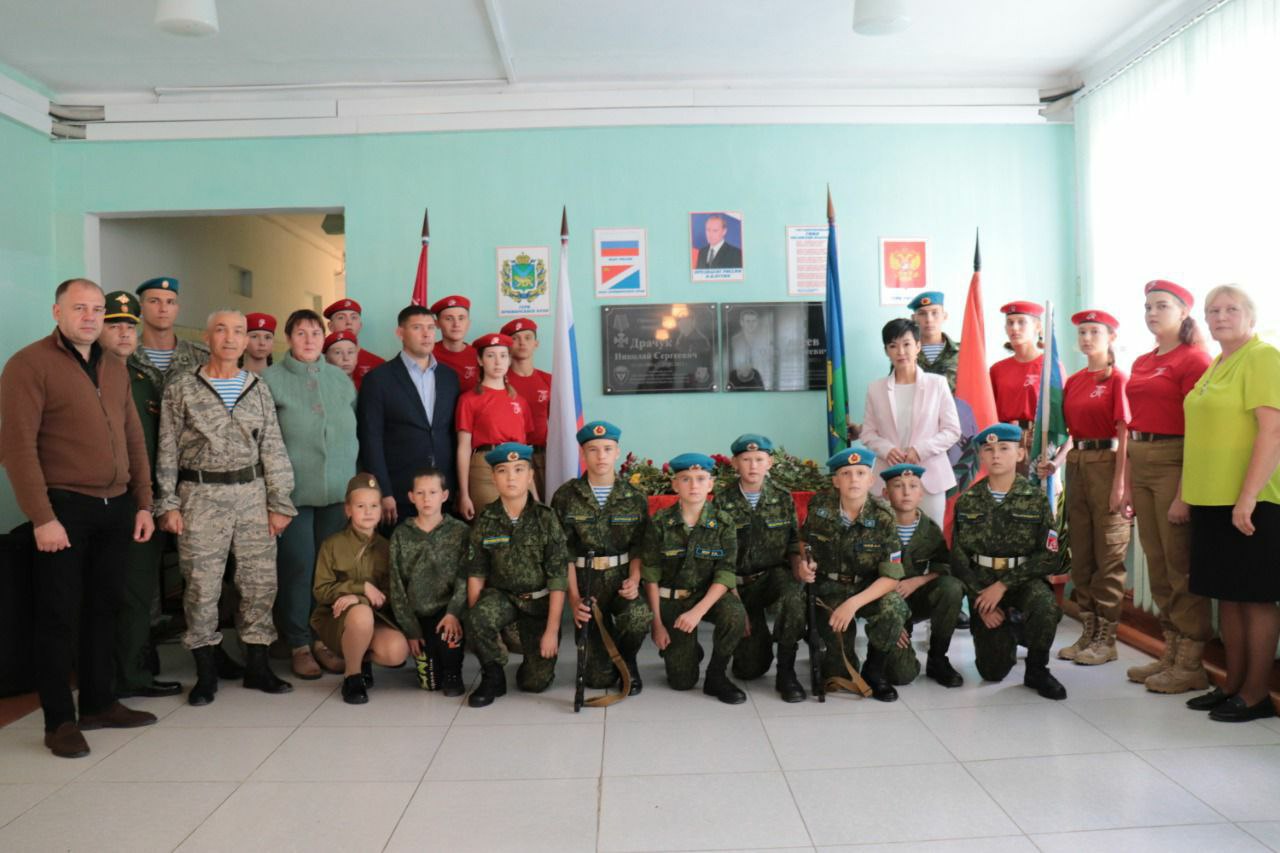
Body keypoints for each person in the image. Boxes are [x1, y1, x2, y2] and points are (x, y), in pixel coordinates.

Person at [0, 279, 158, 758]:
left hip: (117, 507)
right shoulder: (29, 364)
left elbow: (133, 438)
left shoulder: (114, 365)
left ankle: (98, 704)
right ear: (57, 312)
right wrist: (41, 517)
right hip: (64, 508)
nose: (90, 317)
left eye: (96, 309)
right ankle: (58, 722)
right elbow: (17, 447)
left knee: (103, 610)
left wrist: (144, 502)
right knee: (58, 617)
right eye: (79, 308)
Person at [155, 309, 296, 706]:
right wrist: (167, 503)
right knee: (202, 584)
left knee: (259, 582)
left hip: (252, 494)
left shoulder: (258, 387)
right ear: (207, 337)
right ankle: (206, 672)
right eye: (221, 330)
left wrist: (279, 502)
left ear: (247, 340)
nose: (231, 338)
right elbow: (166, 447)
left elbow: (273, 447)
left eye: (239, 331)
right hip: (199, 496)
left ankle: (258, 666)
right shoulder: (183, 387)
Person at [1183, 285, 1280, 722]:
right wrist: (1186, 495)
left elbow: (1273, 432)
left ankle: (1257, 694)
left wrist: (1247, 497)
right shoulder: (1217, 364)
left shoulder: (1262, 357)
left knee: (1255, 598)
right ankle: (1232, 685)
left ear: (1250, 316)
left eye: (1231, 309)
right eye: (1213, 310)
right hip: (1212, 499)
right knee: (1229, 596)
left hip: (1252, 500)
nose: (1221, 316)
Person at [1123, 280, 1214, 693]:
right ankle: (1171, 651)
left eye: (1161, 305)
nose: (1152, 313)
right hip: (1141, 457)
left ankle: (1191, 663)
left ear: (1183, 312)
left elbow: (1200, 429)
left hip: (1174, 459)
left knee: (1179, 564)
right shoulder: (1143, 361)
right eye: (1148, 306)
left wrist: (1184, 493)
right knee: (1156, 561)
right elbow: (1134, 423)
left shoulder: (1194, 359)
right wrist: (1128, 483)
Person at [262, 309, 358, 680]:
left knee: (328, 570)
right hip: (292, 496)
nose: (309, 340)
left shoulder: (339, 379)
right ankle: (298, 643)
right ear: (289, 338)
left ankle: (323, 640)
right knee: (298, 567)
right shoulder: (271, 380)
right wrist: (273, 497)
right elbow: (263, 441)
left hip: (337, 493)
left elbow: (353, 433)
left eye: (315, 333)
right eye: (300, 333)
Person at [98, 291, 181, 699]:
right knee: (108, 591)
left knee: (137, 590)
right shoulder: (88, 373)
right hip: (100, 499)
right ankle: (112, 674)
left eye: (129, 327)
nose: (123, 334)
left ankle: (131, 672)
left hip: (143, 499)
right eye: (114, 325)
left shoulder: (143, 380)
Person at [950, 424, 1067, 700]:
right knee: (992, 671)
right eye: (988, 449)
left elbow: (1049, 555)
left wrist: (1003, 585)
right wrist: (980, 601)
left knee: (1044, 605)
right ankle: (1010, 628)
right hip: (983, 585)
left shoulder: (1035, 499)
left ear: (1020, 454)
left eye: (1004, 448)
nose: (996, 455)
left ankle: (1037, 669)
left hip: (1023, 581)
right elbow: (959, 559)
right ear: (981, 456)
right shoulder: (967, 501)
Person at [1042, 310, 1131, 667]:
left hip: (1108, 465)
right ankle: (1089, 631)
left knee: (1108, 556)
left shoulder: (1118, 379)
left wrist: (1121, 483)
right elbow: (1072, 435)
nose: (1087, 338)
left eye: (1094, 331)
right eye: (1082, 332)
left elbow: (1125, 432)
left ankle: (1107, 639)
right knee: (1081, 554)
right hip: (1078, 465)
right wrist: (1057, 462)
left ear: (1111, 337)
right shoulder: (1076, 380)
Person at [796, 445, 907, 702]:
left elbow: (891, 577)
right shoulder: (820, 507)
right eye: (846, 473)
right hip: (829, 589)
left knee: (894, 607)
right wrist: (805, 562)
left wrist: (852, 604)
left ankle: (875, 670)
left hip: (868, 589)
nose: (853, 479)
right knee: (838, 674)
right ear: (836, 480)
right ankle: (836, 656)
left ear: (870, 479)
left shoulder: (884, 517)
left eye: (860, 473)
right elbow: (805, 542)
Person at [464, 443, 570, 708]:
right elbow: (476, 572)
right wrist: (477, 625)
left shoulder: (546, 519)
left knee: (535, 683)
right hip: (504, 599)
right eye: (503, 470)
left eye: (519, 470)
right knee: (478, 617)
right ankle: (493, 675)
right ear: (493, 477)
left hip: (539, 603)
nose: (511, 477)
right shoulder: (486, 519)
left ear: (530, 476)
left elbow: (558, 579)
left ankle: (530, 660)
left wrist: (551, 630)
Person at [552, 421, 652, 696]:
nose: (601, 456)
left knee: (639, 616)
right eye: (593, 449)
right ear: (583, 453)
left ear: (617, 452)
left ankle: (627, 660)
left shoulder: (634, 496)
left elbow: (639, 546)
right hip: (586, 581)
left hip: (621, 578)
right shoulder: (566, 496)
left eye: (607, 449)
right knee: (597, 680)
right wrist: (574, 599)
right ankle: (605, 654)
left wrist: (634, 580)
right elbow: (563, 553)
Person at [641, 453, 747, 703]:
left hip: (706, 596)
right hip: (671, 601)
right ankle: (687, 650)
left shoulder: (723, 523)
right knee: (682, 682)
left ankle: (716, 675)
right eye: (686, 479)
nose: (694, 485)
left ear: (710, 484)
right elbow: (651, 576)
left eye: (700, 478)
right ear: (675, 485)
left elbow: (725, 574)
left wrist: (697, 612)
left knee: (735, 613)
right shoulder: (660, 522)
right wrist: (657, 624)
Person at [713, 434, 807, 702]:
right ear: (734, 463)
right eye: (746, 459)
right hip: (738, 585)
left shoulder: (782, 497)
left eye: (759, 459)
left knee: (793, 596)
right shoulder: (722, 500)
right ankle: (757, 639)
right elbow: (717, 554)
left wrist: (799, 567)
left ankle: (786, 671)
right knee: (749, 669)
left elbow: (793, 541)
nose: (753, 466)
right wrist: (734, 600)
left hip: (772, 577)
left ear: (770, 463)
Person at [358, 304, 460, 527]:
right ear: (400, 332)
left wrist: (459, 488)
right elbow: (371, 439)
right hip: (399, 493)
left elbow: (453, 434)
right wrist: (384, 491)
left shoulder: (449, 378)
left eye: (431, 328)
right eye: (417, 327)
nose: (426, 334)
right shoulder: (378, 379)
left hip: (443, 492)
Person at [312, 474, 409, 704]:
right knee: (360, 614)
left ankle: (362, 660)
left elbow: (391, 594)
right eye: (360, 506)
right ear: (348, 510)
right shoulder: (332, 545)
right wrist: (360, 589)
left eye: (374, 506)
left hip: (375, 617)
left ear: (381, 510)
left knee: (396, 651)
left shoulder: (387, 548)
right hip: (337, 620)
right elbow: (321, 590)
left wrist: (359, 598)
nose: (368, 512)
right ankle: (352, 676)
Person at [860, 318, 962, 525]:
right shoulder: (875, 388)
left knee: (931, 536)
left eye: (906, 344)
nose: (901, 352)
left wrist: (920, 450)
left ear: (918, 346)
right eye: (893, 346)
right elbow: (867, 433)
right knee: (888, 536)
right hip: (887, 478)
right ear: (886, 351)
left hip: (929, 476)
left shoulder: (937, 384)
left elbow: (952, 430)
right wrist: (887, 449)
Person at [879, 463, 965, 688]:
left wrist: (918, 581)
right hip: (884, 603)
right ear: (885, 493)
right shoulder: (875, 527)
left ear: (921, 493)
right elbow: (864, 576)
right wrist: (889, 619)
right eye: (898, 486)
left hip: (915, 599)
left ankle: (938, 658)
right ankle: (889, 649)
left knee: (951, 587)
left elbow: (944, 566)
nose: (906, 492)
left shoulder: (929, 529)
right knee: (901, 675)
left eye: (913, 486)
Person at [388, 467, 470, 697]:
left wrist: (454, 612)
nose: (426, 499)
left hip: (448, 612)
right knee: (430, 683)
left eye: (433, 492)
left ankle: (453, 671)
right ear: (411, 497)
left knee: (448, 639)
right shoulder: (401, 535)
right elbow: (396, 586)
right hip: (418, 614)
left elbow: (465, 577)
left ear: (444, 495)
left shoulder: (460, 532)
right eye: (420, 493)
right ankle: (432, 656)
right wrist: (411, 629)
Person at [455, 333, 535, 520]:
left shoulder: (520, 401)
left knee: (521, 525)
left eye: (503, 355)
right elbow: (464, 448)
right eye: (491, 355)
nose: (498, 362)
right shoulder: (469, 399)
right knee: (489, 525)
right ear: (480, 360)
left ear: (509, 360)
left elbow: (526, 449)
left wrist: (534, 491)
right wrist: (464, 494)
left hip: (517, 466)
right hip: (484, 468)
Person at [989, 301, 1044, 473]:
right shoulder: (997, 369)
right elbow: (989, 412)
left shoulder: (1050, 366)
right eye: (1010, 322)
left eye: (1021, 322)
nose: (1015, 328)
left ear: (1037, 326)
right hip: (1004, 442)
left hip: (1037, 443)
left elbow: (1061, 417)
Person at [502, 317, 552, 497]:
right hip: (512, 456)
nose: (522, 342)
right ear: (507, 345)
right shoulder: (500, 381)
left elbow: (558, 422)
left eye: (528, 337)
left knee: (548, 503)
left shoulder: (548, 380)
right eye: (515, 338)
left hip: (543, 455)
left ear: (536, 343)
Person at [323, 298, 384, 387]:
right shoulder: (319, 363)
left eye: (354, 317)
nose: (349, 322)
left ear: (360, 325)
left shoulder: (378, 365)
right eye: (341, 317)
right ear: (330, 326)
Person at [910, 291, 960, 393]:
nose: (929, 319)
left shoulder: (963, 351)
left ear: (944, 316)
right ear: (914, 318)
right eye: (922, 313)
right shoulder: (906, 352)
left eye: (935, 313)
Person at [430, 295, 479, 392]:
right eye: (449, 318)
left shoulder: (479, 355)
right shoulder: (427, 354)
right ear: (437, 323)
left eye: (461, 318)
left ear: (468, 323)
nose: (456, 324)